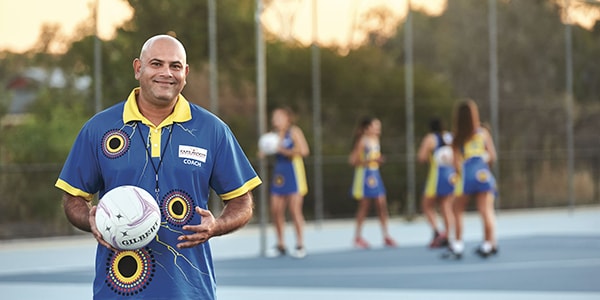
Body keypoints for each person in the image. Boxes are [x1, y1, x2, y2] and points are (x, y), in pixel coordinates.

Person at [55, 34, 261, 299]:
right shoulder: (99, 129)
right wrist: (91, 220)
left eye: (175, 66)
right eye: (156, 64)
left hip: (189, 291)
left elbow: (242, 202)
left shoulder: (213, 130)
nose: (166, 73)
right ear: (138, 68)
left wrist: (216, 226)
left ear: (185, 73)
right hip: (117, 290)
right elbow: (73, 198)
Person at [443, 100, 498, 259]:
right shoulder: (483, 133)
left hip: (467, 174)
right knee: (486, 210)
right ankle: (488, 245)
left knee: (457, 209)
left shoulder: (458, 137)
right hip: (482, 173)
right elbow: (492, 156)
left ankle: (458, 246)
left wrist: (460, 177)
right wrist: (484, 169)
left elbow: (455, 163)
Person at [263, 107, 309, 258]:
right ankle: (281, 244)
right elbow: (264, 151)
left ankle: (300, 244)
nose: (274, 120)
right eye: (274, 117)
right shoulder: (272, 136)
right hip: (279, 174)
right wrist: (264, 149)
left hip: (294, 173)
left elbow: (303, 151)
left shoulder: (294, 132)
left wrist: (282, 150)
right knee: (275, 209)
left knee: (295, 210)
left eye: (278, 117)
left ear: (287, 118)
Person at [349, 117, 397, 249]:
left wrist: (377, 161)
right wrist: (370, 161)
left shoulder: (375, 140)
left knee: (381, 205)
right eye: (375, 126)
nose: (378, 129)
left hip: (375, 175)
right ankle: (357, 236)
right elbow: (353, 160)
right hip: (365, 175)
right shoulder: (362, 142)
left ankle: (386, 235)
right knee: (364, 206)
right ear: (367, 128)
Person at [417, 117, 455, 248]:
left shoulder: (430, 138)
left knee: (427, 205)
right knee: (446, 206)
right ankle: (449, 235)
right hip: (450, 174)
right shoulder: (449, 137)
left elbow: (421, 157)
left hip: (437, 175)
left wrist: (430, 157)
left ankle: (437, 232)